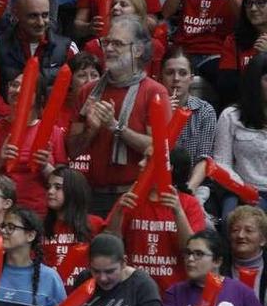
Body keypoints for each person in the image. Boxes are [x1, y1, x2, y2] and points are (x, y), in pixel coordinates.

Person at [66, 16, 169, 216]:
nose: (109, 49)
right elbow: (72, 150)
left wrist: (116, 127)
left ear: (138, 50)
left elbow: (159, 149)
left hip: (135, 195)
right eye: (107, 42)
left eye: (118, 44)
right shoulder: (88, 91)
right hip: (93, 196)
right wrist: (91, 130)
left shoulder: (155, 93)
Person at [107, 147, 207, 294]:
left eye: (148, 159)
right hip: (134, 293)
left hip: (175, 294)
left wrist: (178, 212)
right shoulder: (130, 199)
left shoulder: (189, 204)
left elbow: (192, 250)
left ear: (168, 167)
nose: (140, 164)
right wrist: (119, 212)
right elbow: (111, 244)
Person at [0, 73, 68, 216]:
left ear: (40, 98)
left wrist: (46, 167)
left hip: (39, 217)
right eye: (14, 85)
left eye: (26, 86)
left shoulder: (53, 132)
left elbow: (66, 189)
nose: (17, 90)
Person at [0, 0, 78, 120]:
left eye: (45, 15)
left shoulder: (68, 48)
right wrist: (18, 119)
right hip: (8, 127)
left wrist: (48, 125)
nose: (41, 23)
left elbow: (77, 97)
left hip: (53, 129)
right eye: (33, 16)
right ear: (16, 14)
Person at [211, 53, 267, 216]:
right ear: (255, 83)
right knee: (239, 220)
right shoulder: (231, 116)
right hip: (242, 189)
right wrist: (242, 189)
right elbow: (221, 162)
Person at [43, 166, 105, 286]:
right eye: (48, 187)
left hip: (85, 296)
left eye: (57, 187)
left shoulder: (95, 224)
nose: (50, 191)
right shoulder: (41, 226)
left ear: (73, 191)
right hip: (50, 297)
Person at [82, 0, 167, 77]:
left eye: (123, 5)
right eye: (113, 5)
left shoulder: (155, 47)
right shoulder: (93, 47)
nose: (115, 8)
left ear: (138, 13)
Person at [160, 47, 216, 161]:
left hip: (193, 176)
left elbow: (205, 158)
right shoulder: (153, 108)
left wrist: (191, 180)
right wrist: (166, 118)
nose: (176, 78)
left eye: (183, 73)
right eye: (170, 73)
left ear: (191, 78)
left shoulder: (205, 110)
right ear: (161, 77)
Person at [218, 0, 267, 108]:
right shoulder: (234, 41)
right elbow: (227, 87)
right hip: (244, 108)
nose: (253, 8)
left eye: (261, 3)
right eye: (248, 3)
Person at [58, 52, 102, 175]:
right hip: (65, 177)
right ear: (70, 82)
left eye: (94, 75)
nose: (89, 81)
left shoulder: (108, 109)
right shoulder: (56, 112)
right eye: (82, 75)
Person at [226, 206, 267, 301]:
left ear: (263, 239)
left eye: (248, 230)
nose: (240, 235)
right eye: (235, 230)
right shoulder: (217, 268)